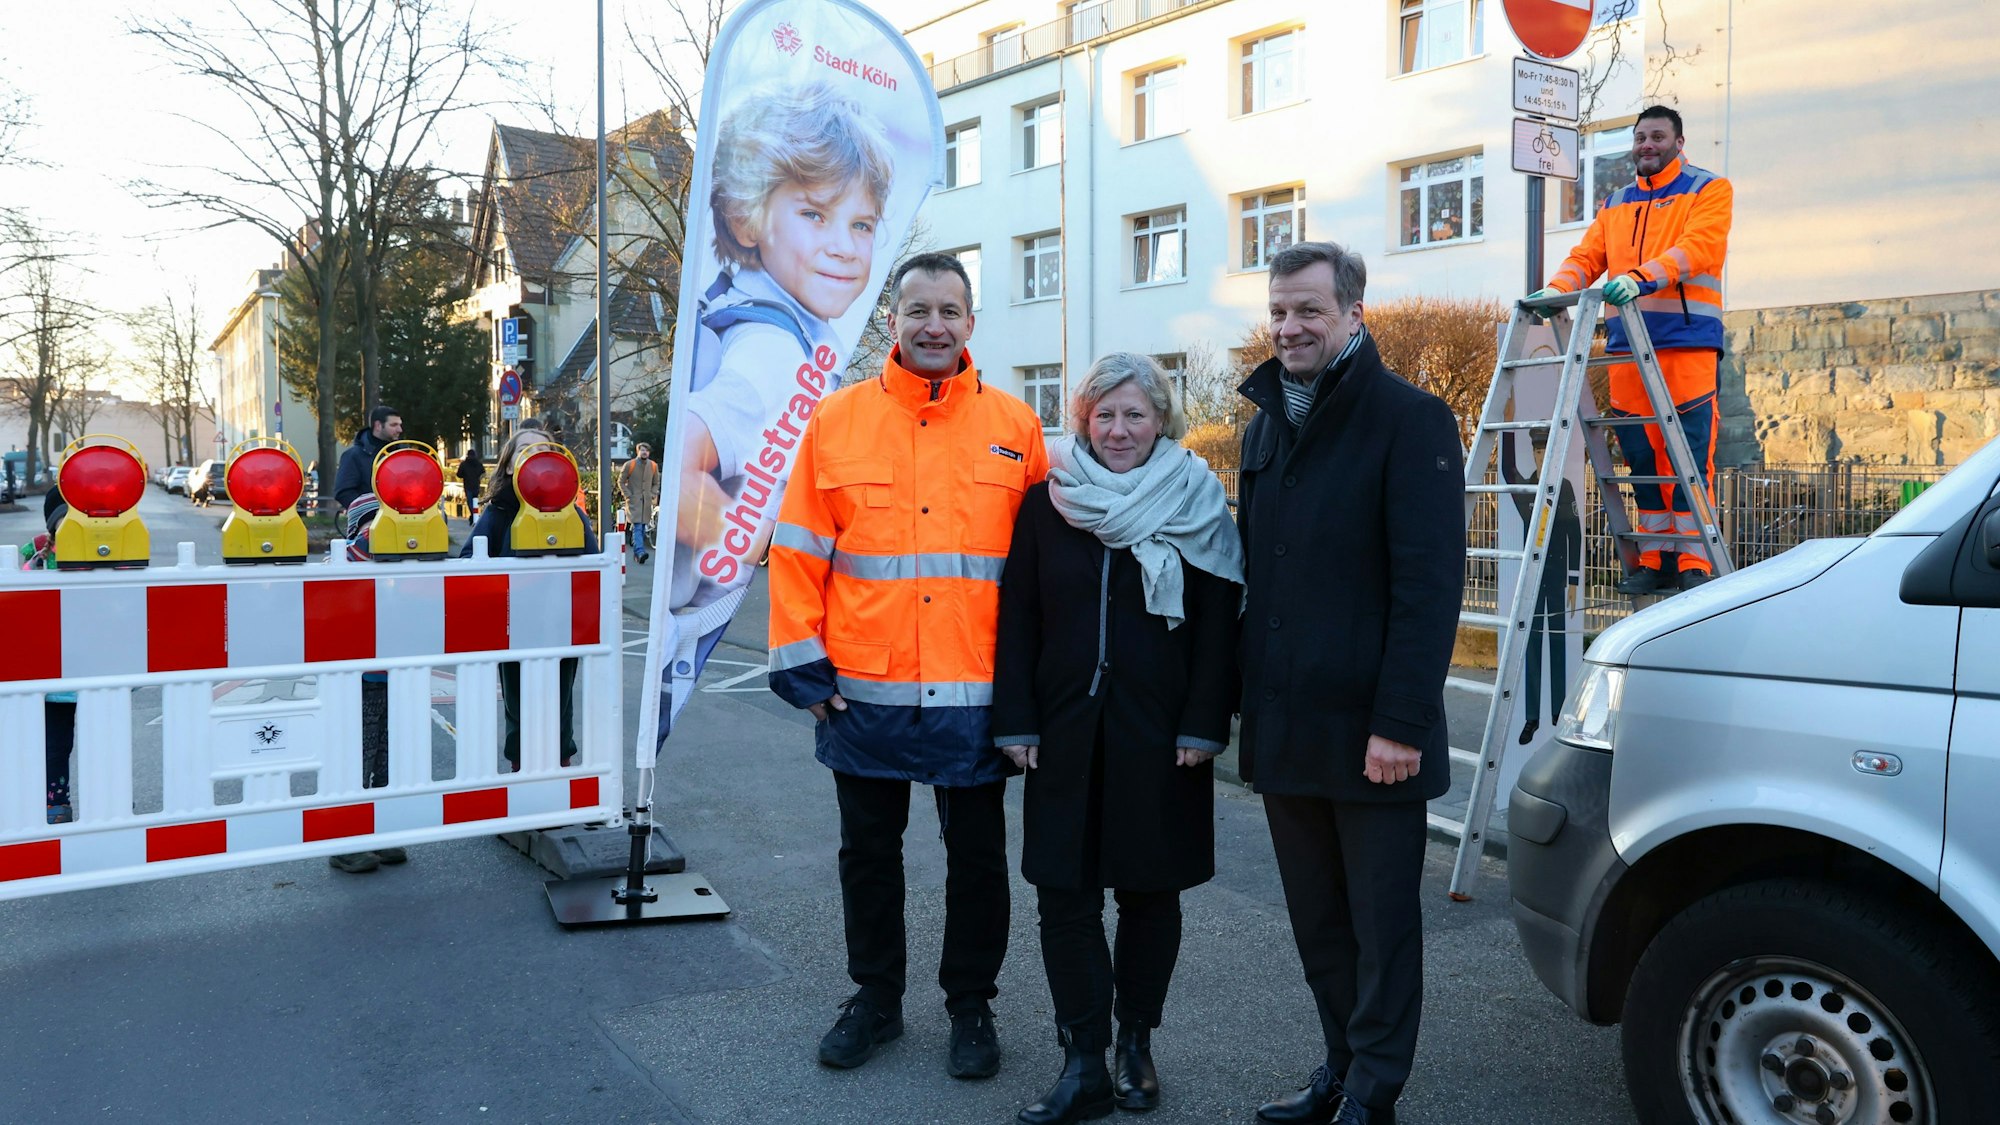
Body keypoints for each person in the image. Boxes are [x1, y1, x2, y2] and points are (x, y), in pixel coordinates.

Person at [767, 252, 1048, 1080]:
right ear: (891, 320)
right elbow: (796, 552)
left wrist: (1038, 692)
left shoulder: (1014, 426)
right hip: (863, 692)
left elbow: (1041, 573)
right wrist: (803, 668)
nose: (933, 324)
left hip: (979, 695)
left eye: (949, 310)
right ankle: (876, 999)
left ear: (971, 323)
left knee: (980, 862)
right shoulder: (836, 421)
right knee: (868, 855)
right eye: (917, 308)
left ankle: (972, 1004)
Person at [1237, 241, 1464, 1125]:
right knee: (1319, 923)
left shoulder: (1412, 419)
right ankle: (1339, 1065)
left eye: (1309, 312)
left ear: (1353, 315)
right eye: (1280, 311)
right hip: (1288, 725)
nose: (1289, 327)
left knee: (1380, 927)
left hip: (1376, 734)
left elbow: (1429, 585)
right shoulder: (1264, 424)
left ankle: (1375, 1090)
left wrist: (1401, 721)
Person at [992, 353, 1243, 1124]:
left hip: (1160, 734)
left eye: (1135, 413)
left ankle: (1136, 1041)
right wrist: (1017, 717)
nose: (1120, 428)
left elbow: (1217, 625)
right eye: (1104, 414)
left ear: (1160, 419)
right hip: (1064, 729)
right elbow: (1020, 616)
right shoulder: (1049, 503)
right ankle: (1084, 1058)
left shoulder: (1197, 499)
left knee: (1148, 893)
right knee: (1063, 896)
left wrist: (1206, 720)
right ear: (1083, 422)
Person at [672, 79, 893, 619]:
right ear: (748, 218)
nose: (843, 247)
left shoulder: (753, 303)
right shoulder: (775, 355)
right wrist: (763, 543)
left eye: (861, 224)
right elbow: (679, 475)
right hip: (696, 614)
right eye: (815, 214)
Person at [1530, 104, 1734, 595]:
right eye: (1641, 136)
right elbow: (1587, 257)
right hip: (1627, 349)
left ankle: (1693, 560)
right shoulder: (1616, 202)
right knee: (1642, 459)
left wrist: (1641, 279)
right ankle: (1654, 557)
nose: (1647, 144)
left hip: (1685, 346)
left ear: (1678, 143)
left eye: (1658, 137)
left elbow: (1700, 247)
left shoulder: (1709, 189)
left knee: (1684, 456)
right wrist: (1555, 290)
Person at [463, 427, 598, 769]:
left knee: (561, 698)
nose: (534, 457)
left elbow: (595, 567)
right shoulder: (499, 512)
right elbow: (468, 561)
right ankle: (521, 766)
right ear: (509, 466)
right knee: (518, 699)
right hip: (514, 629)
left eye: (542, 449)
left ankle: (560, 762)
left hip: (561, 626)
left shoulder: (570, 512)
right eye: (525, 450)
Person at [324, 493, 409, 875]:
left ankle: (385, 829)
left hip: (397, 678)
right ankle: (346, 839)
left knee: (390, 759)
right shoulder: (345, 558)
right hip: (356, 681)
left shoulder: (408, 561)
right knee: (357, 755)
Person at [21, 489, 76, 824]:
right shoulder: (37, 555)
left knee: (103, 739)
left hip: (87, 669)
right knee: (57, 744)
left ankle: (108, 801)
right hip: (54, 674)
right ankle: (55, 804)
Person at [335, 405, 404, 509]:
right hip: (369, 521)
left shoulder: (403, 454)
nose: (400, 429)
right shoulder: (354, 456)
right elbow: (344, 493)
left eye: (400, 425)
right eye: (394, 425)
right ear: (378, 426)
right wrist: (369, 513)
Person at [618, 442, 659, 564]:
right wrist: (628, 495)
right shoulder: (629, 465)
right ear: (637, 451)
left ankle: (637, 554)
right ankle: (640, 552)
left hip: (646, 502)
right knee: (637, 526)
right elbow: (620, 481)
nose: (644, 452)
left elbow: (656, 482)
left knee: (641, 527)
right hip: (633, 501)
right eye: (642, 450)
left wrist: (652, 493)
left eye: (646, 450)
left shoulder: (653, 466)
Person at [456, 447, 485, 522]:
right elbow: (483, 472)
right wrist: (478, 477)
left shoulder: (464, 464)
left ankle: (473, 516)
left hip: (468, 485)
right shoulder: (478, 463)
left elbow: (459, 474)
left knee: (470, 502)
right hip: (476, 485)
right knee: (475, 501)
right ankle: (475, 516)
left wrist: (465, 475)